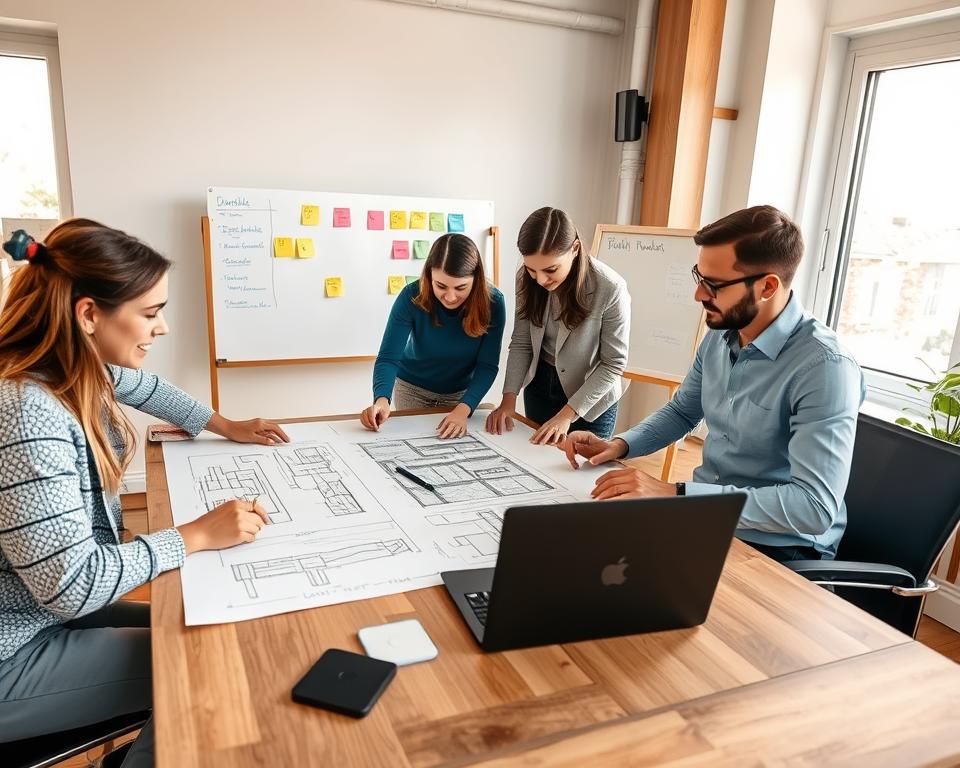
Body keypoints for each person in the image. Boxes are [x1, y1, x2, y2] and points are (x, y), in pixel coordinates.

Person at [0, 221, 290, 766]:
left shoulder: (70, 366)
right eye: (151, 313)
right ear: (89, 315)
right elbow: (74, 584)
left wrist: (224, 424)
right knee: (206, 667)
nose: (163, 328)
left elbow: (149, 388)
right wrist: (194, 535)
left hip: (30, 613)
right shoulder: (27, 411)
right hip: (11, 651)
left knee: (213, 631)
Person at [560, 205, 865, 562]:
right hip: (704, 519)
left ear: (767, 286)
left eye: (714, 286)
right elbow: (683, 411)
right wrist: (620, 446)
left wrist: (676, 494)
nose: (699, 296)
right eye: (699, 278)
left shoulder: (825, 368)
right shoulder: (720, 337)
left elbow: (812, 507)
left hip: (781, 548)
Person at [486, 206, 630, 444]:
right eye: (532, 270)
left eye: (550, 270)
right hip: (541, 385)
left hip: (591, 395)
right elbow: (522, 343)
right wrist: (508, 400)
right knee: (539, 459)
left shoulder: (610, 288)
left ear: (574, 249)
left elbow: (613, 364)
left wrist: (566, 415)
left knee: (583, 471)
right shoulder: (525, 279)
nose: (541, 280)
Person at [360, 233, 506, 439]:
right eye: (441, 286)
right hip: (412, 389)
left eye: (461, 287)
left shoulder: (494, 303)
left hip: (461, 395)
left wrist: (464, 409)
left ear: (476, 279)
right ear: (429, 276)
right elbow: (388, 358)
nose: (450, 296)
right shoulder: (411, 296)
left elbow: (488, 365)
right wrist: (381, 400)